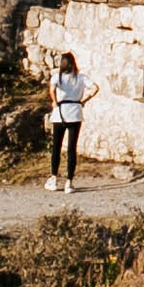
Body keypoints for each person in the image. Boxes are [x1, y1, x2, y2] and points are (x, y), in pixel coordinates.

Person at [45, 52, 95, 192]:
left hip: (60, 113)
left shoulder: (58, 77)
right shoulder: (80, 78)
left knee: (57, 146)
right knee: (72, 148)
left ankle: (54, 178)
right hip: (75, 111)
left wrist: (55, 102)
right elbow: (95, 88)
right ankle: (69, 182)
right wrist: (83, 101)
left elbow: (52, 89)